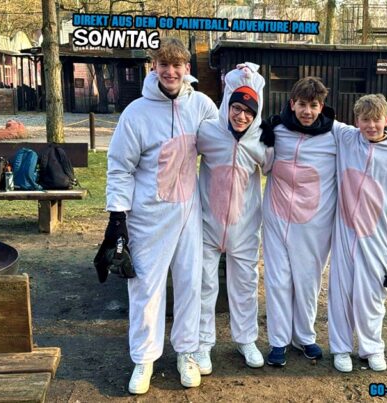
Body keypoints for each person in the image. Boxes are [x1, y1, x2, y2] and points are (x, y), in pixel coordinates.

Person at [104, 38, 218, 394]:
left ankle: (186, 351)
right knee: (145, 286)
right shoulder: (136, 113)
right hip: (148, 214)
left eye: (176, 65)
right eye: (163, 65)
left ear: (187, 69)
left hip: (188, 211)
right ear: (153, 67)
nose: (170, 72)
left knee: (190, 283)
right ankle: (144, 357)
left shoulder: (200, 105)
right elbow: (120, 167)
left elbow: (223, 141)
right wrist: (117, 217)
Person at [328, 94, 387, 373]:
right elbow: (319, 116)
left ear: (386, 120)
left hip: (378, 237)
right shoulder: (347, 139)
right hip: (344, 233)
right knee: (341, 293)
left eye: (376, 120)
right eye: (365, 120)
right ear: (357, 121)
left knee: (372, 296)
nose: (371, 125)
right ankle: (341, 348)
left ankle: (372, 348)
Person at [195, 62, 274, 373]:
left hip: (244, 225)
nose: (241, 116)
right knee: (204, 285)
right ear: (227, 104)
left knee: (245, 284)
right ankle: (203, 343)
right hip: (207, 224)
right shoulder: (207, 132)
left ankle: (246, 339)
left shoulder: (261, 140)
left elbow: (275, 169)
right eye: (237, 108)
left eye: (249, 111)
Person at [262, 76, 337, 367]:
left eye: (314, 105)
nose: (307, 111)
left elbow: (368, 137)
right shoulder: (276, 130)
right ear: (292, 103)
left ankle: (304, 336)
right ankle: (278, 340)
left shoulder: (336, 134)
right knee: (278, 280)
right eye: (302, 104)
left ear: (322, 106)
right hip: (277, 217)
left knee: (307, 281)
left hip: (313, 224)